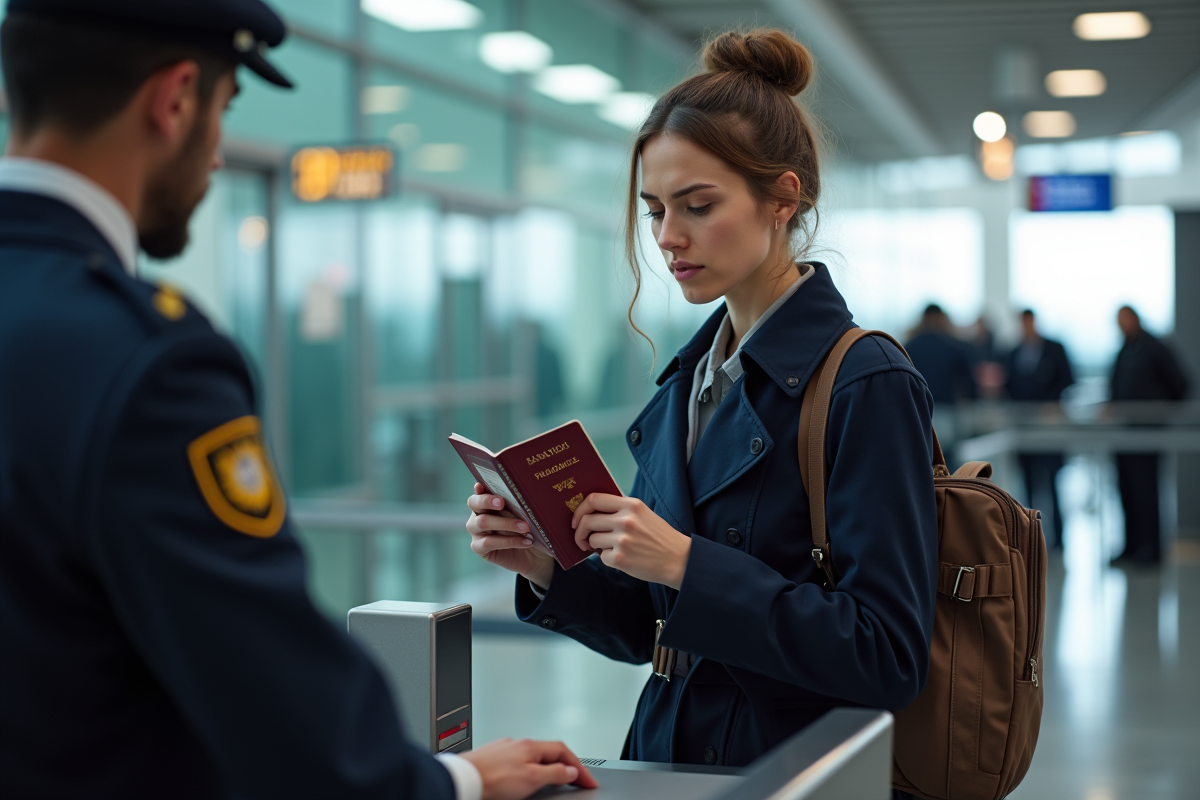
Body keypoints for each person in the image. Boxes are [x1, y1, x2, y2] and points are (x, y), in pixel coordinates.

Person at [0, 2, 596, 798]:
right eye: (224, 110)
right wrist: (457, 781)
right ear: (174, 99)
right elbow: (284, 716)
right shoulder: (144, 361)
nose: (216, 156)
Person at [465, 29, 938, 800]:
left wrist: (686, 563)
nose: (667, 238)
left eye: (698, 205)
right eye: (654, 210)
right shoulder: (687, 383)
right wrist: (546, 564)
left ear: (784, 197)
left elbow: (888, 653)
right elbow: (650, 625)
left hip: (801, 769)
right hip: (672, 757)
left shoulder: (864, 381)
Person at [1109, 306, 1190, 566]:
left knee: (1146, 491)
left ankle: (1151, 549)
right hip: (1124, 433)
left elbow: (1181, 384)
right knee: (1127, 490)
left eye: (1124, 320)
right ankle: (1131, 546)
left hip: (1147, 432)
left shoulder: (1156, 347)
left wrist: (1158, 412)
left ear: (1135, 318)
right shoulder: (1125, 349)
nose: (1122, 326)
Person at [1003, 309, 1074, 550]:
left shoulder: (1054, 349)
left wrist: (1053, 403)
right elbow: (1008, 386)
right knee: (1029, 485)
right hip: (1024, 428)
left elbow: (1067, 379)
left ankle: (1059, 540)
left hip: (1049, 428)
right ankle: (1034, 538)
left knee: (1053, 484)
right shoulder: (1012, 353)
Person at [905, 304, 977, 465]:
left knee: (921, 459)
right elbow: (969, 383)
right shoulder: (954, 347)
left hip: (919, 410)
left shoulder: (910, 347)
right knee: (947, 460)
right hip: (947, 411)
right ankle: (948, 490)